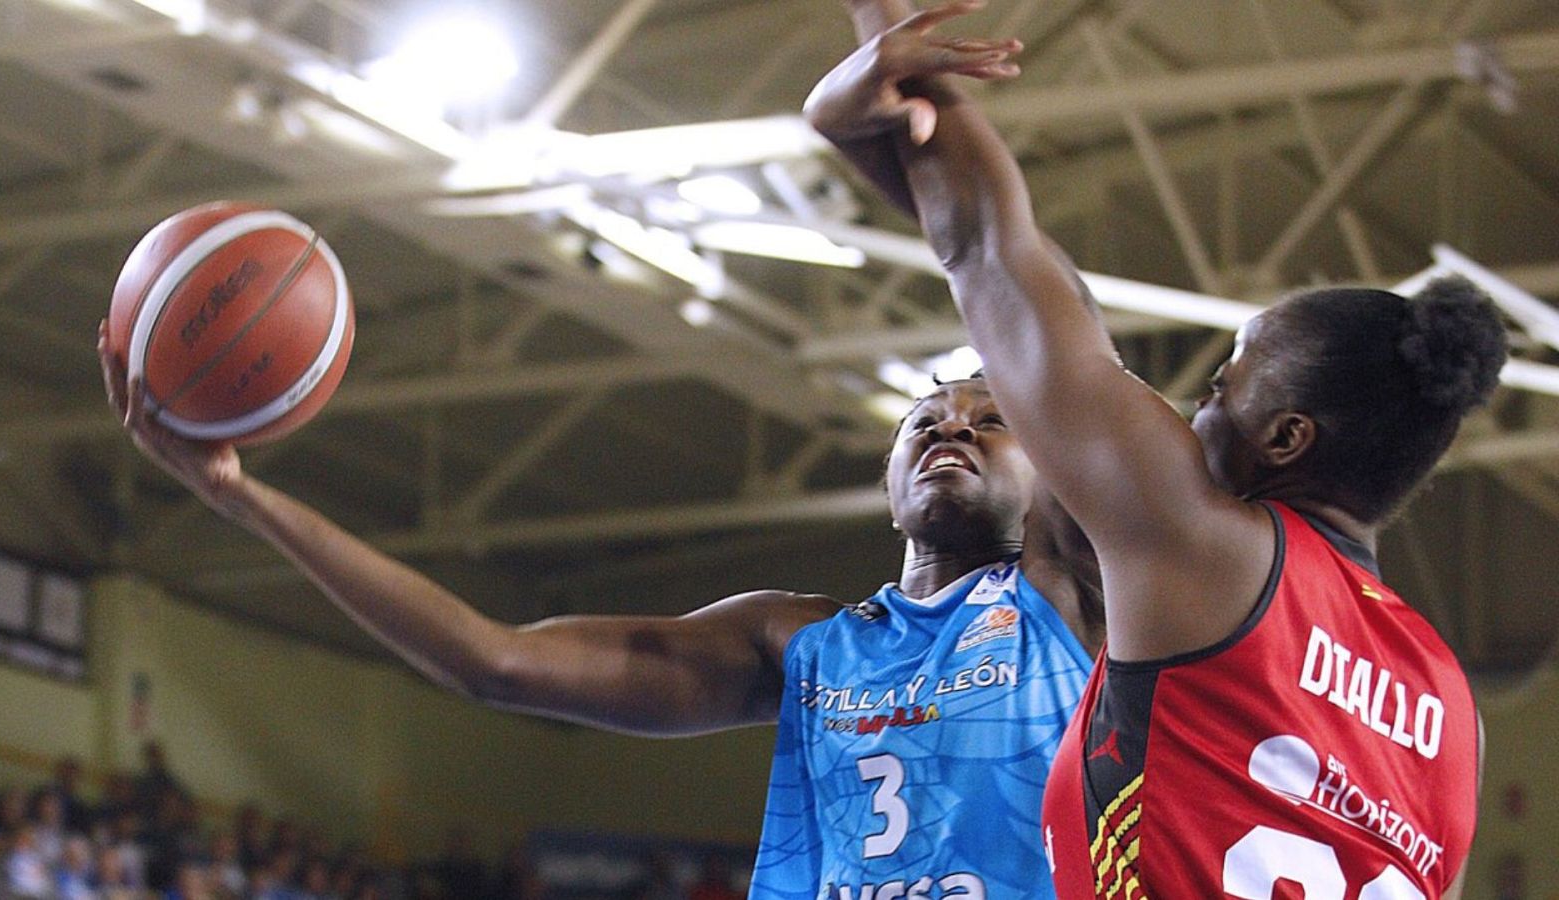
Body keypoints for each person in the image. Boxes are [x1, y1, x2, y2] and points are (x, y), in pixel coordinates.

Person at [803, 2, 1498, 897]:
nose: (1194, 409)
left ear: (1284, 440)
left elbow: (989, 252)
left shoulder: (1208, 550)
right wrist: (865, 130)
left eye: (1222, 389)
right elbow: (1046, 306)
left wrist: (889, 31)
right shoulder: (1451, 705)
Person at [97, 310, 1103, 898]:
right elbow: (491, 661)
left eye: (991, 419)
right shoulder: (798, 642)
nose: (950, 426)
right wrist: (238, 496)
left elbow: (1065, 364)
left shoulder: (1087, 595)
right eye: (924, 416)